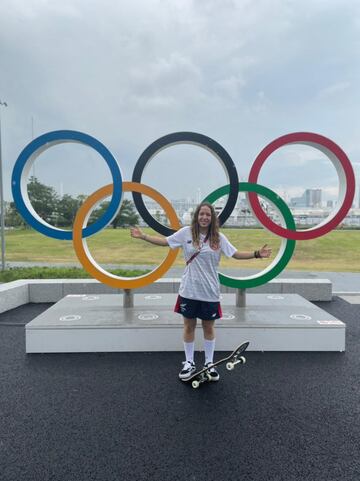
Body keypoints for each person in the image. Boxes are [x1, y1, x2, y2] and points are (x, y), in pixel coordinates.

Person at [130, 202, 271, 381]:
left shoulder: (218, 238)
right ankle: (189, 363)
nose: (204, 217)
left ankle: (209, 364)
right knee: (188, 326)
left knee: (208, 327)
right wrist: (143, 236)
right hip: (189, 290)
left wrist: (257, 253)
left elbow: (235, 254)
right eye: (201, 214)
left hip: (210, 291)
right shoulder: (185, 233)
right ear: (197, 216)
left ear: (212, 218)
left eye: (208, 215)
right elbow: (165, 242)